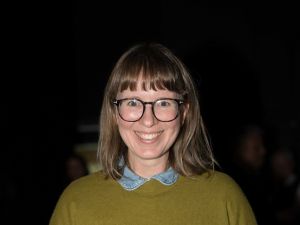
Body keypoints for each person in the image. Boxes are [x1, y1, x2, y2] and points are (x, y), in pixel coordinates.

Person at [49, 42, 257, 225]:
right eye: (132, 102)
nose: (148, 120)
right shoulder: (76, 201)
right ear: (114, 112)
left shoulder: (224, 196)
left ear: (184, 112)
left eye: (164, 102)